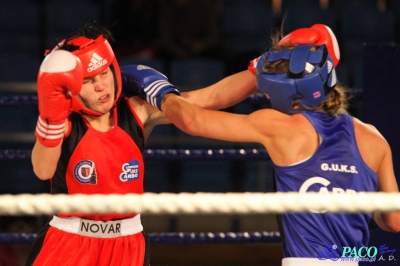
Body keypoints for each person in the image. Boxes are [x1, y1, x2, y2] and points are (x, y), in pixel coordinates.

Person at [136, 24, 400, 265]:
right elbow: (393, 221)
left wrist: (158, 91)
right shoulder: (374, 137)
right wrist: (348, 203)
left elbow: (193, 122)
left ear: (292, 97)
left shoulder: (279, 127)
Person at [26, 20, 257, 266]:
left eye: (104, 73)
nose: (101, 86)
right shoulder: (64, 122)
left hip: (128, 243)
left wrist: (260, 72)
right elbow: (43, 170)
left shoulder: (137, 111)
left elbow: (210, 97)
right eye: (88, 80)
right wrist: (50, 121)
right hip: (70, 241)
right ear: (72, 86)